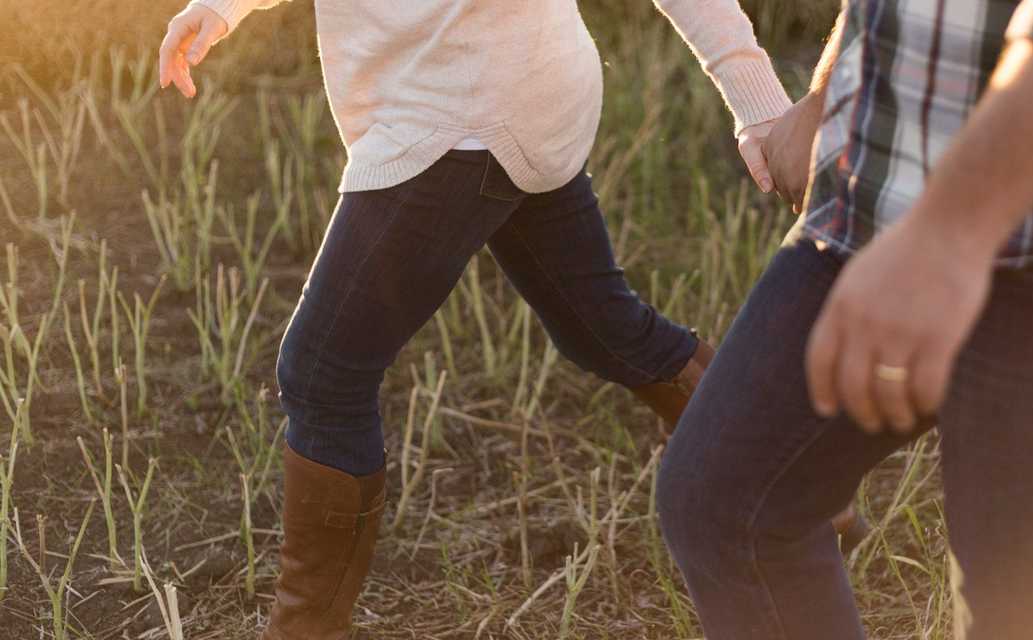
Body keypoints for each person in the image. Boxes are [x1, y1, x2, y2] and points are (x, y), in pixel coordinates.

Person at [157, 1, 794, 637]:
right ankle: (796, 489)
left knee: (322, 375)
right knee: (604, 329)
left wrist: (758, 101)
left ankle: (305, 630)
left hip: (461, 117)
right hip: (512, 92)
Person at [657, 1, 1033, 638]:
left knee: (1025, 616)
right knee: (726, 506)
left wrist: (946, 237)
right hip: (884, 188)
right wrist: (832, 85)